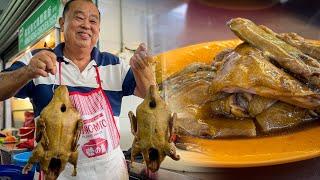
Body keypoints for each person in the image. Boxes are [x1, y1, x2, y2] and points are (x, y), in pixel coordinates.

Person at [0, 0, 156, 179]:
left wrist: (146, 71)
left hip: (110, 173)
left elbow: (148, 95)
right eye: (79, 18)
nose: (86, 26)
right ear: (62, 23)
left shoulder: (115, 65)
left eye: (93, 21)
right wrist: (27, 72)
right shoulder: (38, 60)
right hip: (58, 173)